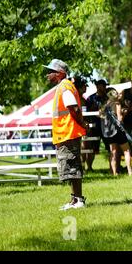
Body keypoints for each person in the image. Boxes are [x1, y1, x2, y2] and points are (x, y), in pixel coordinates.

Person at [43, 59, 88, 210]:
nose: (47, 74)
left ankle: (79, 201)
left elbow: (73, 109)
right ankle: (75, 200)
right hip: (65, 134)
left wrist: (82, 124)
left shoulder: (65, 87)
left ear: (60, 73)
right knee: (70, 168)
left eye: (50, 71)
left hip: (68, 133)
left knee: (73, 167)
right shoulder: (63, 87)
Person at [100, 87, 132, 176]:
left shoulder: (104, 105)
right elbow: (120, 118)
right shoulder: (117, 103)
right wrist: (124, 113)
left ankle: (114, 173)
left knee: (113, 152)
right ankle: (130, 172)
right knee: (126, 151)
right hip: (118, 130)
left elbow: (100, 115)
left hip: (109, 131)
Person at [86, 79, 110, 171]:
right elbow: (87, 113)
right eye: (102, 85)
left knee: (110, 147)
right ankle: (89, 167)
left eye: (104, 85)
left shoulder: (108, 98)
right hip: (94, 126)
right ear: (97, 86)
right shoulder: (90, 98)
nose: (104, 87)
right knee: (92, 149)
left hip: (107, 126)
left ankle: (113, 167)